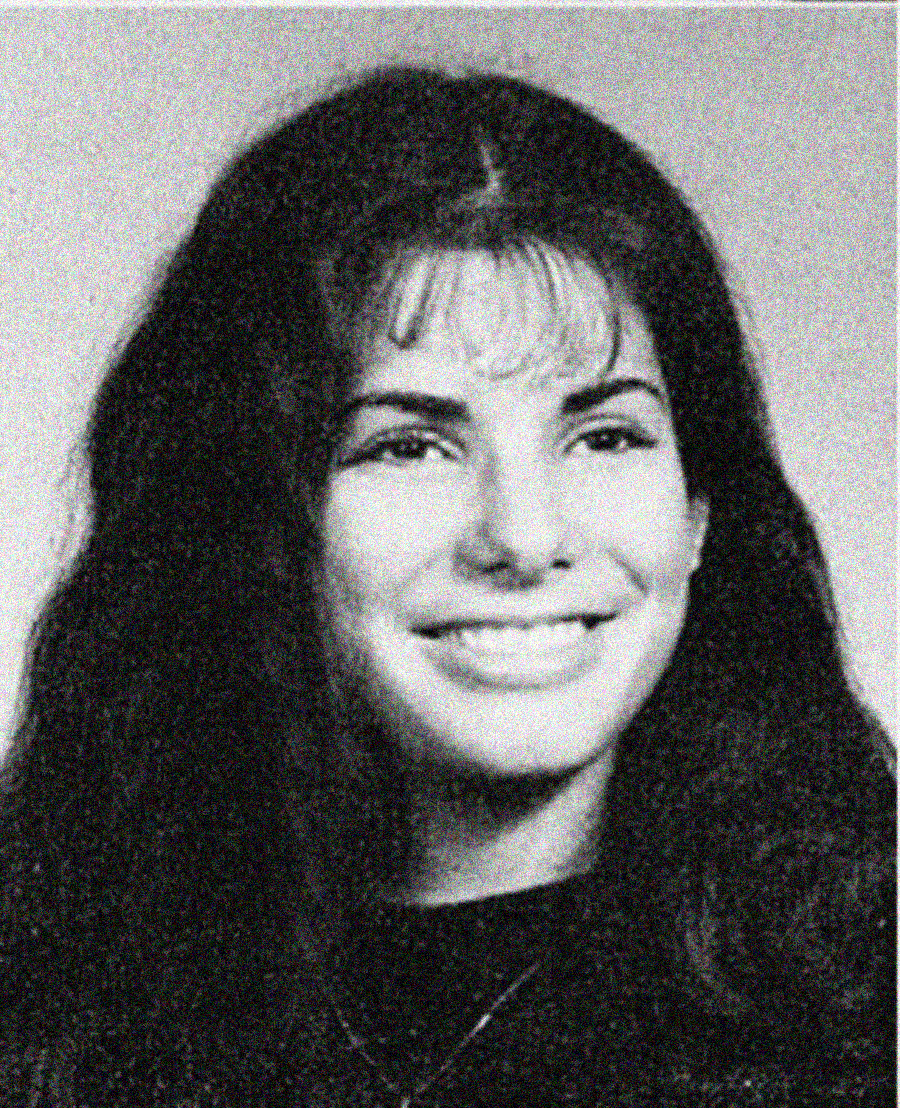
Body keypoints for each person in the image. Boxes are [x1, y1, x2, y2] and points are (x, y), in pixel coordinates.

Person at [0, 66, 894, 1108]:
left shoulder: (870, 1006)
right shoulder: (59, 1005)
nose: (523, 535)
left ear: (700, 511)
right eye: (410, 446)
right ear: (256, 519)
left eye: (605, 435)